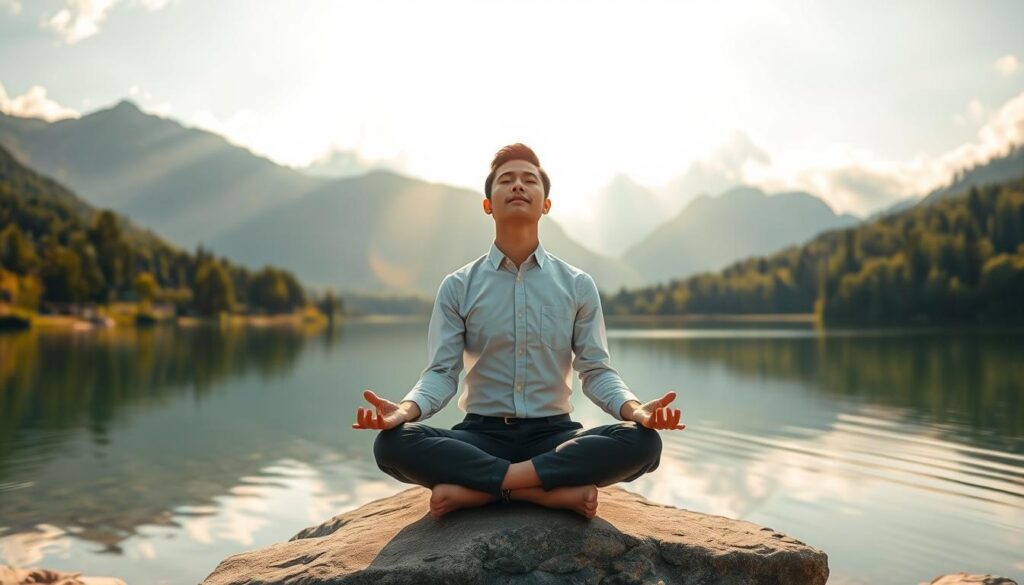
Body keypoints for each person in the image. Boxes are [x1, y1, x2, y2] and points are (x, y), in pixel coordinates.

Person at [352, 143, 685, 520]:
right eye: (506, 180)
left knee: (642, 442)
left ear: (546, 204)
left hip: (555, 436)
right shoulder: (458, 285)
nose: (518, 186)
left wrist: (635, 409)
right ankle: (539, 493)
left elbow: (595, 371)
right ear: (487, 205)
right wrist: (405, 411)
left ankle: (489, 490)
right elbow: (442, 373)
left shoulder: (577, 284)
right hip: (480, 436)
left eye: (529, 180)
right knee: (393, 444)